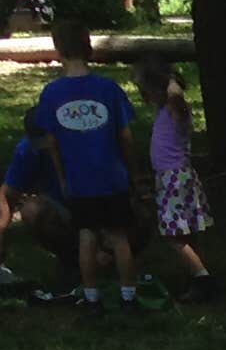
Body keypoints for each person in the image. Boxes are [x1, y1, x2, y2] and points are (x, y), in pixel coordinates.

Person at [32, 20, 142, 315]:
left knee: (87, 236)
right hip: (113, 176)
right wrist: (133, 173)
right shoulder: (108, 89)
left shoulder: (52, 94)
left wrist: (63, 177)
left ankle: (91, 299)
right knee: (120, 237)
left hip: (80, 179)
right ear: (88, 47)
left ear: (58, 50)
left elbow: (52, 143)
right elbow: (126, 137)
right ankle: (129, 297)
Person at [132, 55, 215, 301]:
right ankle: (197, 272)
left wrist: (170, 83)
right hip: (173, 177)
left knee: (172, 236)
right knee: (185, 232)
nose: (143, 96)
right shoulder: (164, 110)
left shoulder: (174, 107)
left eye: (144, 90)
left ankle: (202, 278)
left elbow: (176, 97)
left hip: (174, 179)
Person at [0, 109, 76, 284]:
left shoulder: (81, 145)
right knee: (32, 210)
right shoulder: (28, 151)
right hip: (61, 209)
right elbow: (8, 195)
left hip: (95, 205)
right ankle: (70, 259)